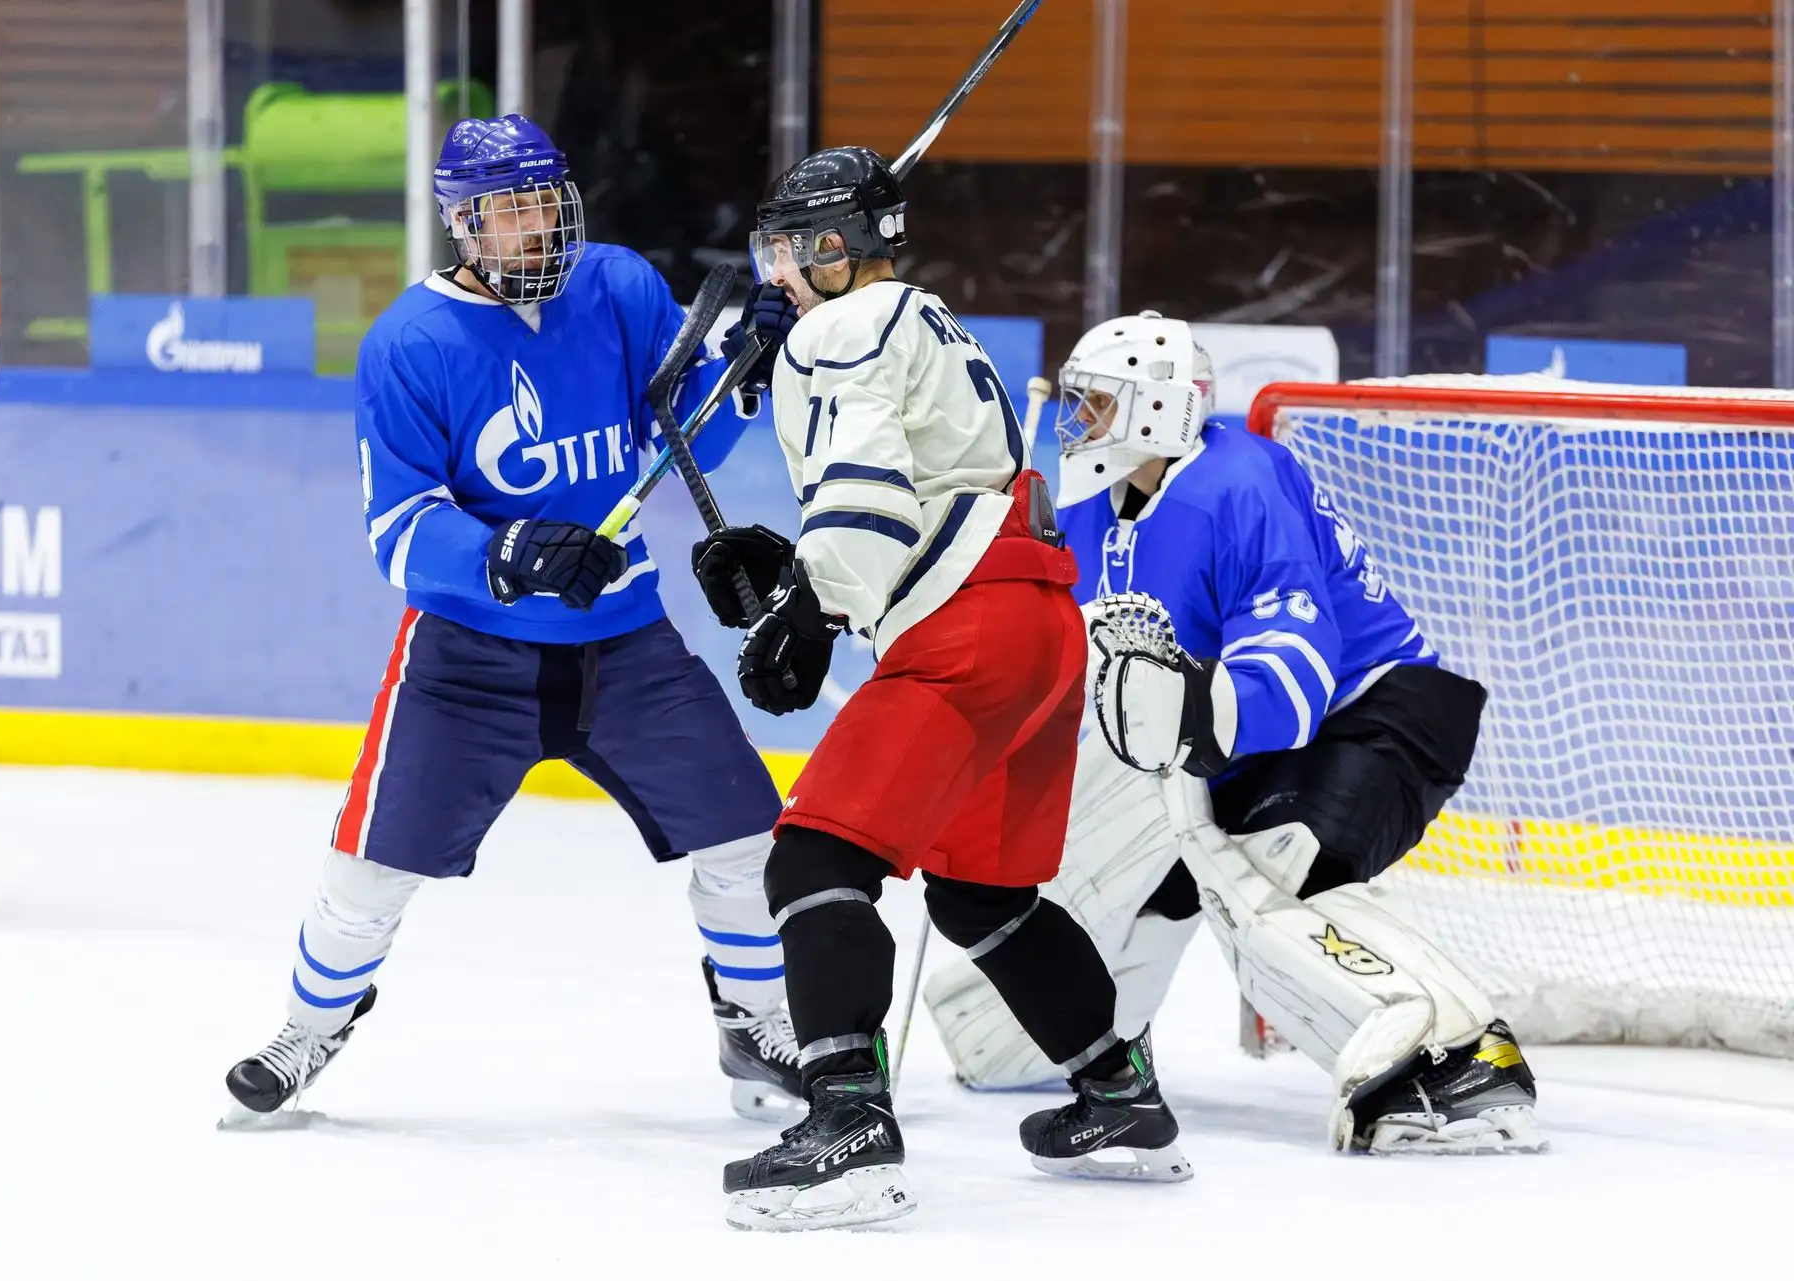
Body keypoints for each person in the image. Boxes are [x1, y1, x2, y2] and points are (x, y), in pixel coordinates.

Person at [222, 114, 804, 1122]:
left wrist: (751, 364)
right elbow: (398, 531)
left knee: (749, 835)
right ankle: (309, 1028)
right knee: (369, 867)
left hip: (625, 642)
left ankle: (753, 1027)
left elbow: (694, 431)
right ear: (463, 223)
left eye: (545, 201)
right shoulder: (411, 343)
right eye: (509, 209)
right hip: (468, 660)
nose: (536, 224)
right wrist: (507, 552)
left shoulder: (617, 286)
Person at [692, 149, 1191, 1233]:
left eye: (788, 251)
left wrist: (813, 605)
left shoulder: (842, 325)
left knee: (814, 858)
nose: (776, 273)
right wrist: (800, 579)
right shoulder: (924, 318)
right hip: (1036, 622)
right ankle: (1119, 1094)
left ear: (834, 247)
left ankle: (849, 1122)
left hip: (968, 633)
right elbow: (930, 489)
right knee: (983, 896)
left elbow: (865, 489)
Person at [925, 311, 1546, 1156]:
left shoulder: (1240, 481)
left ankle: (1459, 1052)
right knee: (1125, 873)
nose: (1080, 420)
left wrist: (1191, 711)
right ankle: (1089, 1049)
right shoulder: (1089, 506)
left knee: (1268, 862)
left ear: (1156, 406)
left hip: (1373, 712)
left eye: (1099, 402)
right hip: (1231, 750)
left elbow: (1297, 663)